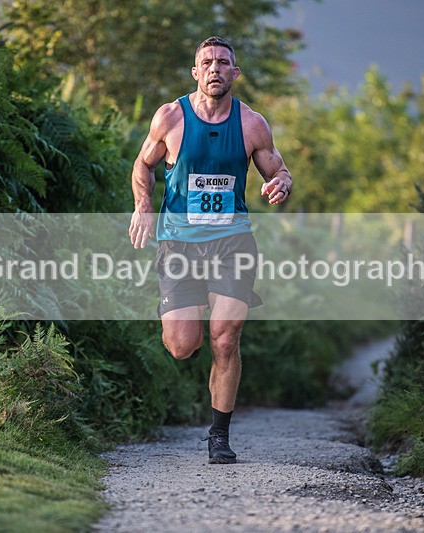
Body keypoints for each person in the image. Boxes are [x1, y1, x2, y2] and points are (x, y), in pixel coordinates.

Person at [128, 36, 292, 464]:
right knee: (183, 345)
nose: (216, 68)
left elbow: (279, 168)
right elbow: (143, 164)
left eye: (224, 62)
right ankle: (192, 322)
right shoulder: (170, 117)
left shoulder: (252, 124)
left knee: (226, 339)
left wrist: (282, 184)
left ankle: (219, 436)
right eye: (208, 62)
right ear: (196, 72)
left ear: (235, 73)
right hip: (180, 243)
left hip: (232, 241)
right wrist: (143, 205)